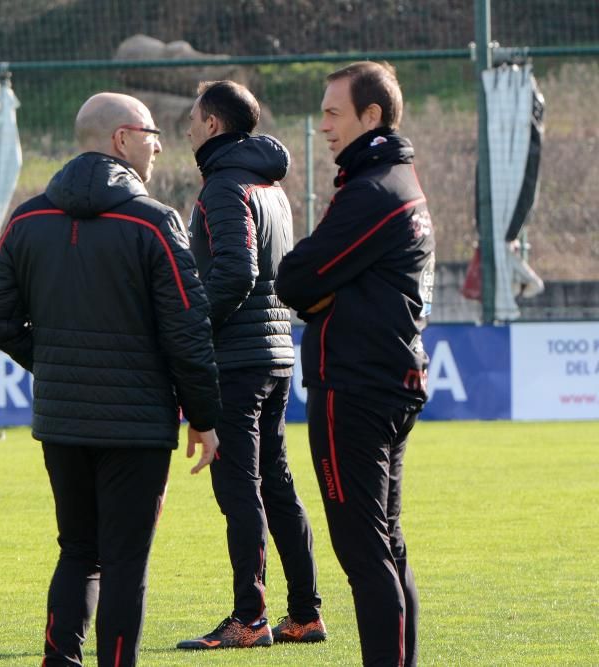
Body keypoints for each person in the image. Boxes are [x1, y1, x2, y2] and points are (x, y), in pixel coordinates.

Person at [0, 92, 221, 667]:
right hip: (137, 425)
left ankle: (59, 660)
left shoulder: (29, 217)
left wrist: (60, 365)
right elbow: (187, 333)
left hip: (63, 419)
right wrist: (206, 417)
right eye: (150, 132)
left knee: (77, 552)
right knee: (124, 563)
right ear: (121, 139)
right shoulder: (155, 222)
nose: (159, 142)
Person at [275, 61, 435, 667]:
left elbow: (295, 276)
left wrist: (325, 294)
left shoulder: (373, 192)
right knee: (386, 548)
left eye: (333, 113)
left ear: (372, 116)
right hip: (386, 381)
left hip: (356, 388)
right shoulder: (398, 180)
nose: (323, 126)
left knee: (365, 555)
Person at [176, 80, 326, 652]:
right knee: (277, 485)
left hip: (238, 359)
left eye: (193, 118)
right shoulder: (269, 185)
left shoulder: (223, 186)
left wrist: (193, 329)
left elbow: (235, 272)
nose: (187, 127)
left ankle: (250, 618)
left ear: (213, 125)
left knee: (240, 489)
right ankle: (305, 614)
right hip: (276, 354)